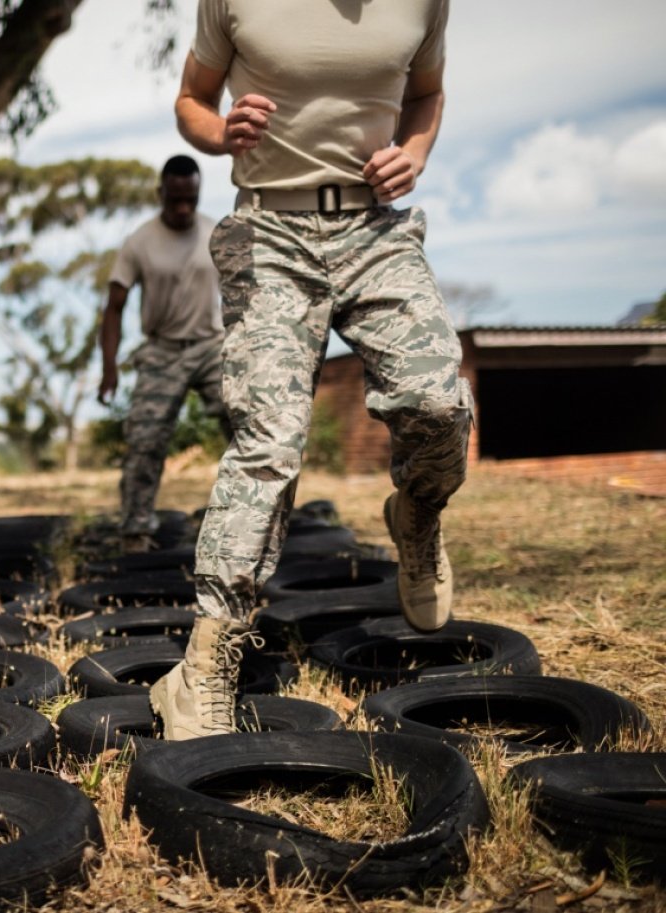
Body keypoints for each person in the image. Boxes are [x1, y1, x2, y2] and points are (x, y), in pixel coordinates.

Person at [152, 0, 473, 739]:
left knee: (436, 405)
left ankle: (418, 512)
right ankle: (204, 666)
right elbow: (192, 101)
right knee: (269, 443)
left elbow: (426, 93)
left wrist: (415, 152)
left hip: (374, 231)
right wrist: (217, 132)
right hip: (270, 226)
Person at [98, 155, 228, 554]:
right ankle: (135, 532)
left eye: (191, 198)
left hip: (212, 346)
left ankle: (255, 520)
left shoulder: (216, 233)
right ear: (161, 194)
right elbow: (114, 307)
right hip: (161, 351)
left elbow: (246, 292)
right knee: (145, 440)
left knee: (250, 425)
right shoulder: (139, 242)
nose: (184, 207)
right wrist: (109, 368)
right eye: (176, 200)